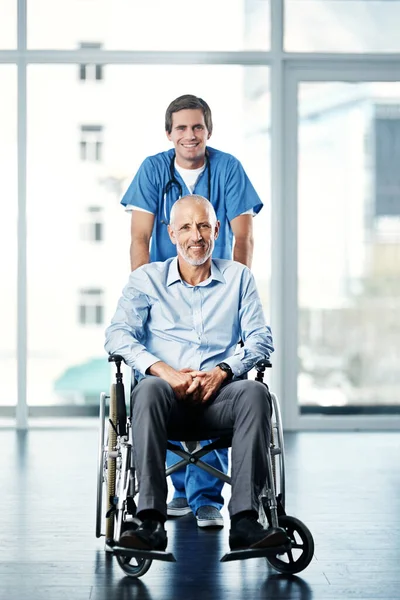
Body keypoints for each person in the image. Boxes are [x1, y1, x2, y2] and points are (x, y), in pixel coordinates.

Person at [105, 196, 288, 553]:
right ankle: (150, 521)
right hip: (165, 400)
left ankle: (247, 521)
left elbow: (261, 339)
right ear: (171, 233)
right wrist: (165, 371)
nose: (196, 236)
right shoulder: (147, 280)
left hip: (220, 399)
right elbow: (117, 335)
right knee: (147, 390)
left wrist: (222, 372)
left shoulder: (238, 278)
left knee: (255, 393)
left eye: (204, 225)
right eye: (186, 227)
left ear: (217, 231)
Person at [120, 94, 263, 528]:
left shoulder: (228, 169)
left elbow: (243, 240)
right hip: (164, 295)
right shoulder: (153, 170)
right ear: (169, 133)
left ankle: (207, 498)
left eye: (197, 127)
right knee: (162, 382)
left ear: (208, 131)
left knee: (213, 372)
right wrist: (149, 296)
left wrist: (233, 295)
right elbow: (141, 239)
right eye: (180, 128)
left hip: (214, 288)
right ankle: (167, 495)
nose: (189, 135)